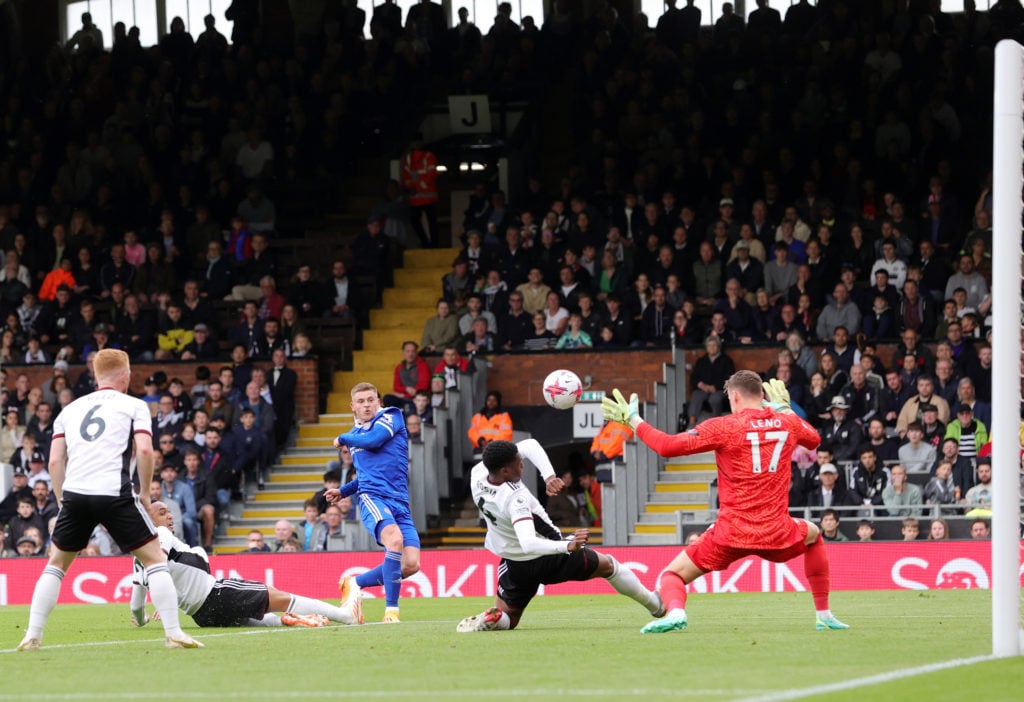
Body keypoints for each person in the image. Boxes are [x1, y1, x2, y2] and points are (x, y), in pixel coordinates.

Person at [601, 372, 848, 632]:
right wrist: (785, 409)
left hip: (730, 534)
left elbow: (667, 446)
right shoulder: (786, 422)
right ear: (763, 396)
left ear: (735, 396)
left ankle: (675, 613)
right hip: (777, 531)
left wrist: (634, 420)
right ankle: (824, 615)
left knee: (670, 575)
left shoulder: (725, 426)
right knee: (815, 535)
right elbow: (814, 440)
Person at [17, 349, 203, 650]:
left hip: (76, 494)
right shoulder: (135, 405)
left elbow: (54, 462)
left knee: (56, 565)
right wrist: (143, 494)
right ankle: (173, 634)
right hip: (114, 492)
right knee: (155, 560)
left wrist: (63, 499)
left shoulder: (69, 410)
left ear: (95, 375)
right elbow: (144, 450)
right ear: (126, 376)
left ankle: (33, 635)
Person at [455, 439, 664, 632]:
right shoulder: (514, 498)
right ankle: (656, 606)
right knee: (609, 566)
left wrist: (549, 476)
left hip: (516, 563)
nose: (523, 464)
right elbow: (529, 543)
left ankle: (496, 619)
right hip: (550, 553)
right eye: (518, 463)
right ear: (505, 470)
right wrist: (567, 546)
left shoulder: (478, 474)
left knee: (510, 618)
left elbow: (528, 445)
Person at [130, 501, 360, 628]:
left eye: (169, 511)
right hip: (217, 594)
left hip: (201, 617)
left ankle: (300, 621)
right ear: (149, 520)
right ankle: (345, 616)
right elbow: (160, 558)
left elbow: (136, 609)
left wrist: (146, 617)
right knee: (280, 597)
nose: (169, 516)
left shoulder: (138, 559)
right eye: (162, 513)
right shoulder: (159, 533)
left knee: (261, 619)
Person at [329, 383, 419, 623]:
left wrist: (341, 438)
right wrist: (344, 490)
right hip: (372, 497)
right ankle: (392, 610)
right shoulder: (355, 436)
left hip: (400, 500)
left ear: (378, 401)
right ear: (353, 406)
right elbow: (365, 476)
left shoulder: (392, 416)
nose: (367, 405)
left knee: (411, 565)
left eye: (371, 400)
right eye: (361, 401)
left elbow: (375, 441)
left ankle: (355, 583)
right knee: (395, 540)